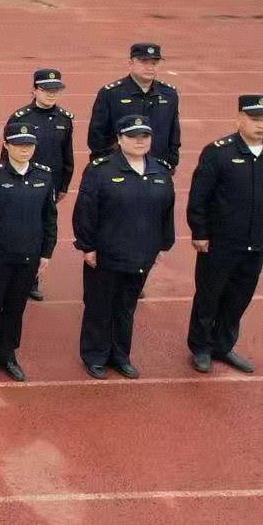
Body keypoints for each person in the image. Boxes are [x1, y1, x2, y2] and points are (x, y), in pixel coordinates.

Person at [186, 95, 263, 374]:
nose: (261, 125)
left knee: (239, 296)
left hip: (256, 240)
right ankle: (201, 347)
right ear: (239, 119)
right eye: (254, 119)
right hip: (221, 240)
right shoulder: (218, 152)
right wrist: (200, 232)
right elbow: (199, 197)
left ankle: (223, 345)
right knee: (209, 295)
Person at [73, 115, 177, 379]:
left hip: (141, 253)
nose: (139, 141)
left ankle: (120, 355)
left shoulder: (160, 171)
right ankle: (95, 355)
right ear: (119, 139)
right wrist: (87, 246)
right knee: (99, 305)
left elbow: (166, 212)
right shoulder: (100, 170)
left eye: (145, 136)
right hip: (106, 253)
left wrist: (163, 245)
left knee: (126, 306)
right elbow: (86, 211)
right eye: (132, 136)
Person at [0, 124, 59, 382]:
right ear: (7, 145)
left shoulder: (44, 176)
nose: (24, 150)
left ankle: (7, 355)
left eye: (29, 145)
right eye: (19, 145)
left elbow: (49, 218)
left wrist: (46, 252)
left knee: (15, 307)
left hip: (29, 256)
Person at [6, 68, 76, 300]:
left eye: (55, 90)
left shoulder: (64, 119)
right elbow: (6, 155)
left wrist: (64, 184)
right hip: (20, 183)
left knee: (41, 230)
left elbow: (67, 154)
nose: (51, 94)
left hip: (49, 185)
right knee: (17, 227)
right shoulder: (20, 118)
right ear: (34, 90)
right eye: (46, 89)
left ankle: (32, 278)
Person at [87, 42, 182, 169]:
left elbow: (174, 132)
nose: (150, 67)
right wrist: (105, 165)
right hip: (119, 168)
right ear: (130, 63)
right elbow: (97, 134)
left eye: (154, 63)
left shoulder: (169, 94)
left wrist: (171, 163)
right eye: (144, 62)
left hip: (157, 167)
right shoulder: (111, 93)